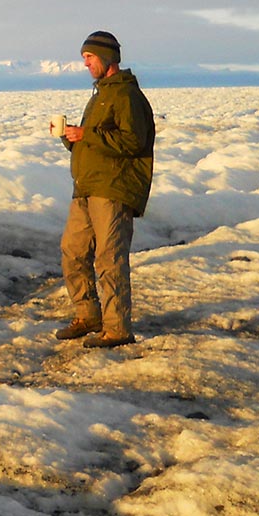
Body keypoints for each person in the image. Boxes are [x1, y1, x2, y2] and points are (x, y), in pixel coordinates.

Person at [56, 31, 155, 348]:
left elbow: (134, 141)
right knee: (73, 252)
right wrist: (70, 137)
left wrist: (86, 134)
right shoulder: (100, 95)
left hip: (113, 188)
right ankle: (89, 315)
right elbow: (95, 142)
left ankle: (117, 328)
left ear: (107, 58)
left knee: (109, 258)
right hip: (86, 188)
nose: (85, 63)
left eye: (89, 57)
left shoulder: (126, 96)